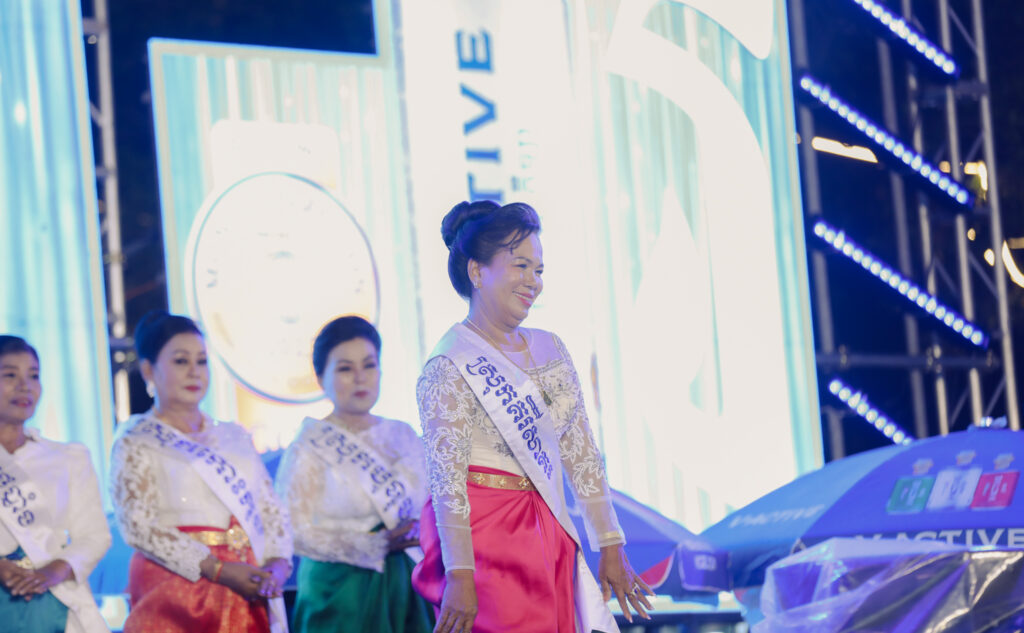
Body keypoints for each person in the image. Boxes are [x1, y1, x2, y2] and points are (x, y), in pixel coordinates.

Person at [412, 201, 654, 633]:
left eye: (539, 270)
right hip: (487, 546)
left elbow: (581, 452)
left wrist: (610, 542)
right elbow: (446, 481)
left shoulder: (550, 348)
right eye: (521, 266)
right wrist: (459, 574)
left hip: (549, 532)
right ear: (477, 271)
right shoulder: (449, 363)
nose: (533, 281)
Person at [109, 311, 293, 633]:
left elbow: (270, 508)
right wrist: (217, 568)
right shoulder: (136, 439)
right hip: (174, 587)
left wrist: (277, 566)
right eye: (181, 361)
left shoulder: (233, 436)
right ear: (149, 369)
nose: (194, 371)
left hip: (247, 583)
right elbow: (138, 526)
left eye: (202, 361)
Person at [275, 316, 433, 633]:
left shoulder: (404, 434)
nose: (360, 378)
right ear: (321, 377)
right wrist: (375, 544)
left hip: (408, 584)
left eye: (369, 365)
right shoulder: (310, 444)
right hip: (339, 593)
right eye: (346, 369)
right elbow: (293, 530)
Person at [0, 335, 112, 633]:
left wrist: (54, 571)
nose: (25, 386)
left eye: (33, 375)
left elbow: (95, 536)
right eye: (10, 375)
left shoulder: (67, 457)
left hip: (55, 599)